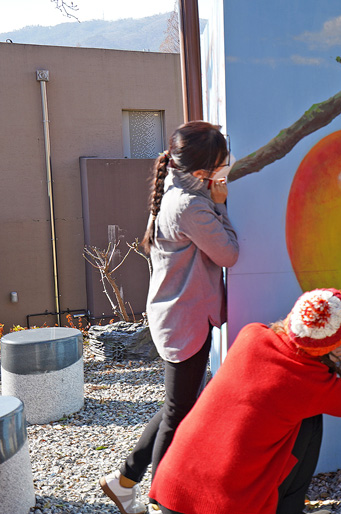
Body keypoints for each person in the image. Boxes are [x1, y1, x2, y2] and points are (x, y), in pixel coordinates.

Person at [142, 288, 341, 514]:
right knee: (311, 419)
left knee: (304, 415)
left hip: (172, 489)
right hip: (227, 507)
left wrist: (323, 353)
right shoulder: (313, 382)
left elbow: (286, 355)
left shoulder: (251, 336)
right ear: (336, 340)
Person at [100, 121, 239, 513]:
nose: (226, 169)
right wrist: (221, 201)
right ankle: (163, 500)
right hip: (184, 320)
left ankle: (123, 480)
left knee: (179, 404)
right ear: (201, 172)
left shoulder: (180, 192)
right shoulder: (191, 204)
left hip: (177, 315)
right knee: (180, 412)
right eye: (222, 164)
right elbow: (229, 253)